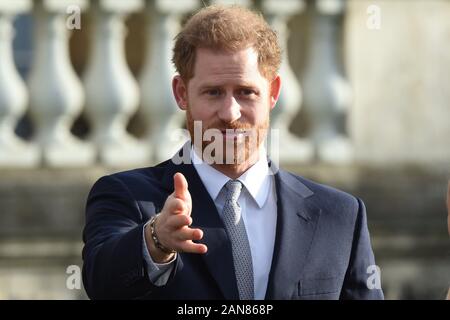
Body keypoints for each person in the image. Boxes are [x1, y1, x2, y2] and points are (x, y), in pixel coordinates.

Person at [82, 5, 384, 300]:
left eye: (246, 92)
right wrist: (156, 240)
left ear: (274, 92)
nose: (229, 112)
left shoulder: (340, 216)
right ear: (181, 93)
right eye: (213, 92)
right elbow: (101, 284)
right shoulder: (126, 197)